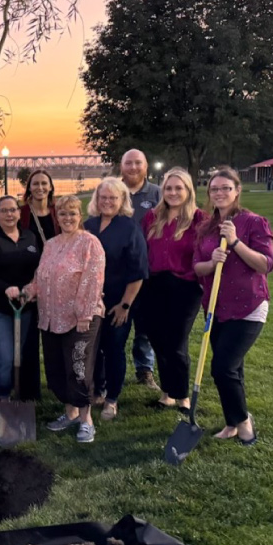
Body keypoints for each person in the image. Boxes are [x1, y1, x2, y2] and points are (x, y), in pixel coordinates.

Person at [193, 166, 273, 446]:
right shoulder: (205, 227)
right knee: (233, 368)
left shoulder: (253, 222)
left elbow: (266, 264)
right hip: (216, 306)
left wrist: (236, 242)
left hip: (249, 307)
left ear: (237, 191)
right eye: (214, 189)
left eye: (226, 188)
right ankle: (231, 422)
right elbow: (197, 267)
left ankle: (243, 421)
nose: (219, 193)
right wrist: (213, 261)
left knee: (223, 367)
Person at [23, 195, 105, 444]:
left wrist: (83, 314)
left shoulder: (90, 243)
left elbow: (92, 280)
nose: (67, 218)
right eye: (62, 214)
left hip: (81, 319)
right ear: (56, 217)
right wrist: (27, 291)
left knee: (78, 368)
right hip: (50, 317)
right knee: (56, 367)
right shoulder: (51, 244)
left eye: (72, 213)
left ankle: (86, 420)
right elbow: (41, 276)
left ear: (80, 216)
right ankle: (69, 413)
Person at [136, 168, 206, 411]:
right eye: (168, 188)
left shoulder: (199, 220)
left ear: (188, 190)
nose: (173, 192)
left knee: (176, 342)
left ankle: (182, 396)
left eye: (179, 188)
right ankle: (167, 394)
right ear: (162, 191)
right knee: (158, 340)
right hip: (154, 285)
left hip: (185, 286)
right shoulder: (151, 218)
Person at [84, 177, 149, 421]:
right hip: (91, 302)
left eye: (113, 198)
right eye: (103, 197)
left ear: (122, 200)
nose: (107, 202)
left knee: (113, 348)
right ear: (96, 199)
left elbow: (138, 271)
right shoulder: (88, 225)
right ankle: (97, 390)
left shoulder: (130, 228)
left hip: (118, 301)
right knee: (95, 348)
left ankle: (112, 398)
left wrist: (125, 305)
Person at [0, 195, 42, 421]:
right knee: (5, 355)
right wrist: (6, 288)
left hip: (24, 306)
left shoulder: (29, 236)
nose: (9, 214)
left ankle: (17, 397)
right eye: (4, 211)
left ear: (18, 213)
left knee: (18, 355)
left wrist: (32, 287)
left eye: (13, 210)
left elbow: (39, 267)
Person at [120, 148, 162, 392]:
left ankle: (145, 370)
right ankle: (109, 370)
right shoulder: (112, 191)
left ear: (146, 166)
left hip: (149, 271)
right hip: (119, 272)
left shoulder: (157, 193)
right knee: (117, 322)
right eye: (129, 163)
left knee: (145, 326)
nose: (133, 167)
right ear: (121, 166)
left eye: (138, 163)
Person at [18, 168, 59, 252]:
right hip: (29, 263)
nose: (40, 187)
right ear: (29, 188)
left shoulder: (59, 212)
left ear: (50, 187)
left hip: (55, 263)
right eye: (36, 184)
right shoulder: (20, 214)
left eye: (44, 183)